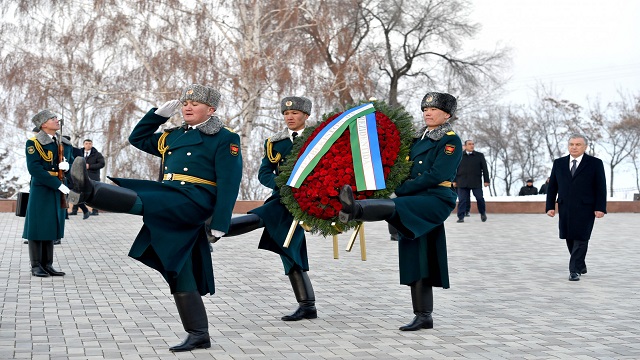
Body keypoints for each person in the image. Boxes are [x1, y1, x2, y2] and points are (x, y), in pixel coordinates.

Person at [69, 84, 243, 352]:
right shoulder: (172, 136)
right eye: (185, 103)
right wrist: (157, 116)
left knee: (151, 197)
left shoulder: (224, 138)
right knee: (178, 267)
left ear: (211, 109)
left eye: (195, 104)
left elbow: (230, 182)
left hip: (195, 200)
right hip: (171, 198)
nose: (187, 107)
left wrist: (219, 223)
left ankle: (90, 192)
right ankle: (198, 334)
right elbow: (137, 138)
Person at [338, 92, 462, 331]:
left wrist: (400, 189)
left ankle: (355, 209)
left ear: (447, 114)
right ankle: (423, 315)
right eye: (425, 109)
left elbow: (436, 175)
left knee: (399, 207)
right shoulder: (417, 138)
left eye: (434, 109)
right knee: (415, 254)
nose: (428, 112)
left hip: (436, 199)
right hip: (414, 198)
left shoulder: (450, 140)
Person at [213, 96, 317, 321]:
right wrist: (282, 184)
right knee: (290, 249)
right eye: (286, 114)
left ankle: (215, 230)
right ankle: (308, 305)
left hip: (307, 201)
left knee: (265, 216)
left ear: (306, 116)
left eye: (295, 113)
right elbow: (264, 173)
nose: (289, 117)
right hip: (281, 197)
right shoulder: (275, 142)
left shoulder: (318, 140)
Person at [545, 133, 606, 281]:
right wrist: (550, 206)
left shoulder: (595, 163)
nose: (574, 147)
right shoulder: (559, 163)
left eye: (578, 144)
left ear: (584, 147)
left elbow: (601, 187)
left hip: (586, 207)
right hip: (565, 206)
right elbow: (552, 186)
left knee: (581, 237)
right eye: (571, 144)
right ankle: (580, 263)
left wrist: (600, 207)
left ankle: (574, 270)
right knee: (569, 237)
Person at [23, 110, 74, 277]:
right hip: (42, 188)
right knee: (38, 226)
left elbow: (70, 162)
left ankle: (48, 264)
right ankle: (36, 265)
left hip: (58, 187)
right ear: (43, 124)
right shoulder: (34, 143)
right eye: (53, 119)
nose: (56, 120)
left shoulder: (60, 142)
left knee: (51, 225)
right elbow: (35, 169)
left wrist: (67, 168)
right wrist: (57, 185)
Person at [453, 139, 489, 223]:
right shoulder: (459, 155)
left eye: (473, 144)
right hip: (461, 182)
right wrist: (454, 181)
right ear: (465, 146)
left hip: (476, 182)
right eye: (469, 144)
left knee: (480, 198)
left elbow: (485, 169)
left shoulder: (479, 155)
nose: (472, 145)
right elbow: (454, 169)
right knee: (462, 200)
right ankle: (461, 217)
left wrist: (486, 180)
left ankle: (483, 213)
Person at [65, 136, 91, 220]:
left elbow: (79, 162)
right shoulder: (59, 149)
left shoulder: (76, 150)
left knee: (72, 194)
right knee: (64, 194)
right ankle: (65, 214)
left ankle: (85, 209)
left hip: (73, 175)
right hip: (62, 175)